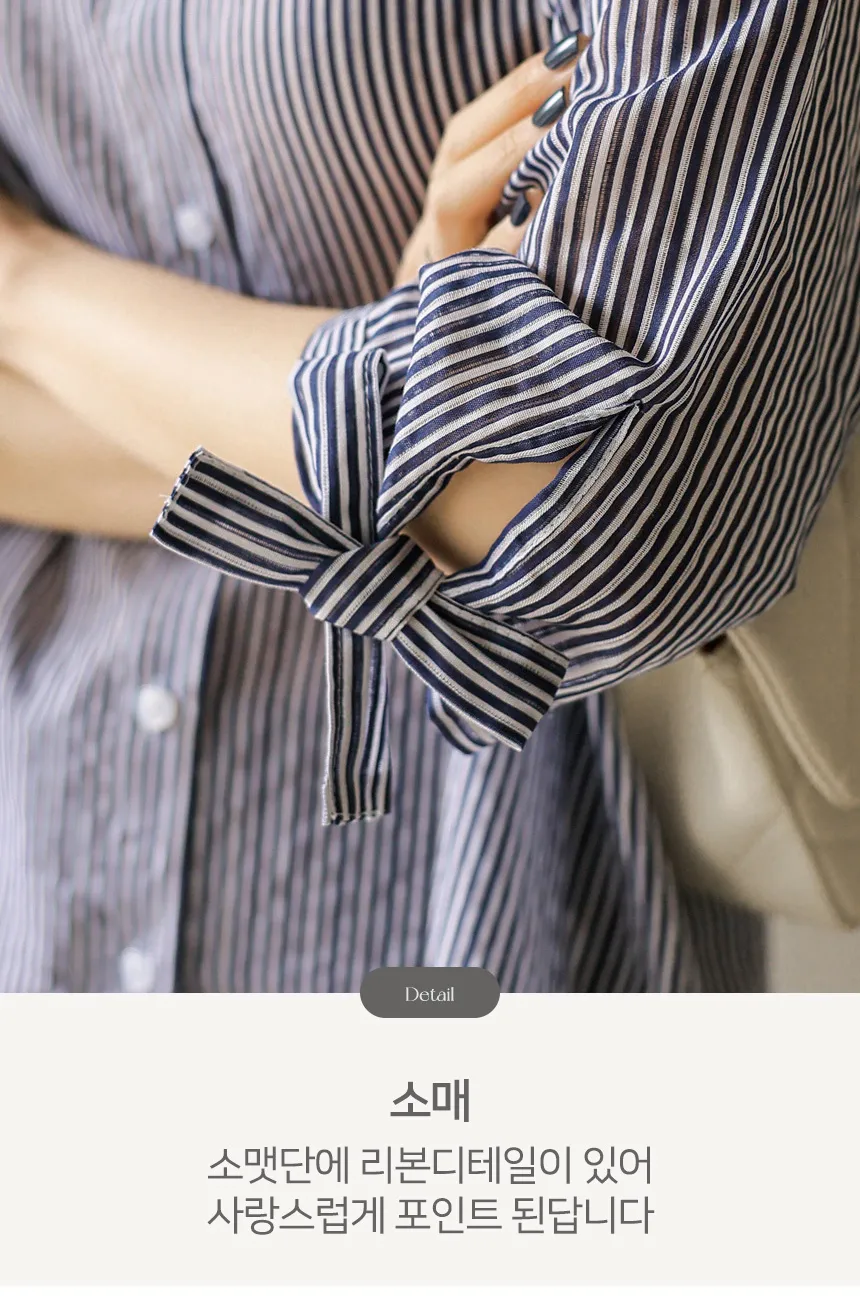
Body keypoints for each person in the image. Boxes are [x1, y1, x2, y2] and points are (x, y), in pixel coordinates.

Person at [0, 0, 843, 994]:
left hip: (484, 926)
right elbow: (476, 478)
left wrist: (26, 285)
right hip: (44, 880)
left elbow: (596, 516)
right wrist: (397, 414)